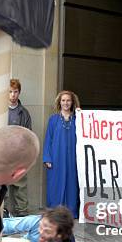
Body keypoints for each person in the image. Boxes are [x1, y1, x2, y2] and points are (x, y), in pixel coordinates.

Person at [43, 90, 81, 219]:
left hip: (72, 158)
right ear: (60, 102)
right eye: (63, 100)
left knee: (72, 184)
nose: (66, 103)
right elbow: (48, 139)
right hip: (56, 157)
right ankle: (54, 213)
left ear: (72, 102)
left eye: (68, 100)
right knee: (55, 185)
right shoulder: (53, 120)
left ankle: (71, 212)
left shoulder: (77, 119)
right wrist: (47, 158)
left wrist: (82, 116)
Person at [5, 78, 32, 216]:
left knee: (20, 186)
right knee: (3, 185)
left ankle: (22, 214)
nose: (12, 95)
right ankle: (4, 214)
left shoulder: (24, 112)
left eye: (15, 92)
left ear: (19, 93)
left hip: (19, 155)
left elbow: (28, 135)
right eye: (10, 92)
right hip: (2, 154)